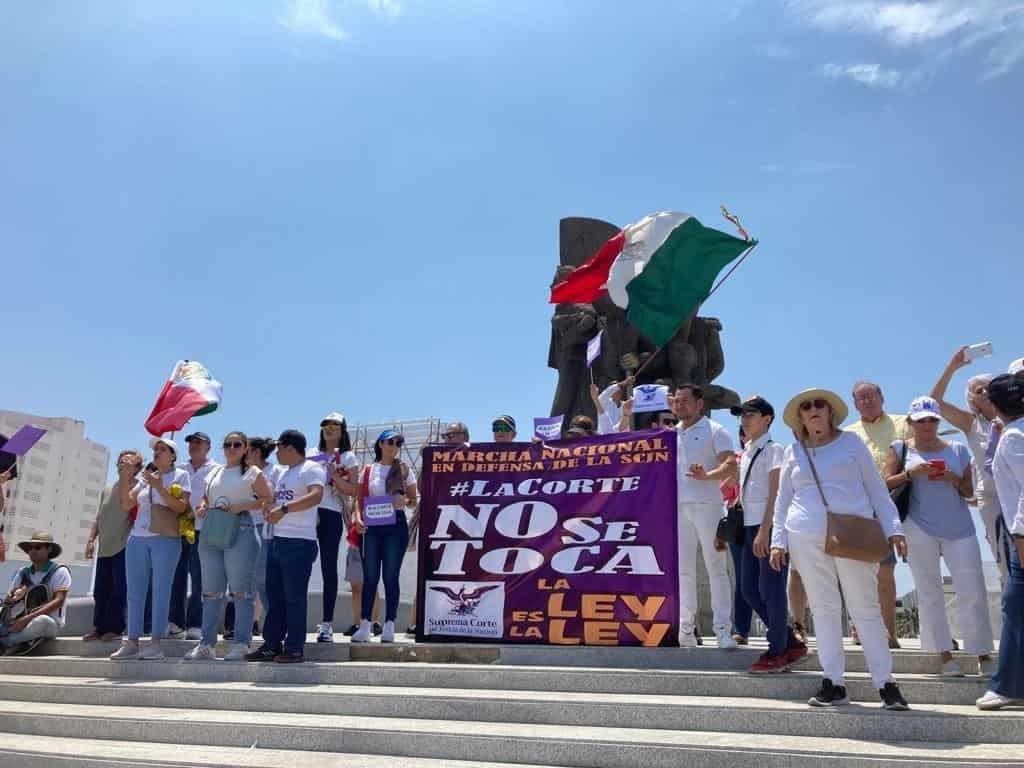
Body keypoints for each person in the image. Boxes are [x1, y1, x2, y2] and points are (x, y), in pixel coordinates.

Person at [770, 389, 909, 711]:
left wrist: (894, 529)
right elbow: (782, 501)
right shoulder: (793, 451)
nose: (814, 409)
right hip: (804, 535)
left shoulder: (851, 444)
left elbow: (876, 490)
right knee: (823, 609)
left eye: (820, 404)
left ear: (830, 412)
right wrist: (779, 540)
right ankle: (833, 682)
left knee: (865, 609)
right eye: (806, 407)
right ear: (800, 417)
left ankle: (886, 683)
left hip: (852, 534)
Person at [884, 396, 995, 678]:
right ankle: (944, 655)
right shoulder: (899, 448)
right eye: (921, 420)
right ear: (910, 423)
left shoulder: (957, 449)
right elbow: (884, 484)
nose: (927, 425)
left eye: (932, 419)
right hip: (917, 526)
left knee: (972, 589)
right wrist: (911, 473)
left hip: (959, 526)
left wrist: (952, 479)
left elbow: (970, 491)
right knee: (929, 591)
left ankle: (983, 652)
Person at [729, 396, 807, 673]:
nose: (745, 420)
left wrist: (766, 530)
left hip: (768, 526)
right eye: (742, 415)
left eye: (751, 414)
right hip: (748, 526)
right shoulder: (748, 450)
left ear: (767, 419)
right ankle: (787, 639)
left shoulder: (775, 449)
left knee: (772, 590)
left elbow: (776, 492)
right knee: (749, 589)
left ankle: (778, 650)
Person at [185, 432, 273, 662]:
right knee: (211, 591)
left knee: (241, 592)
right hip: (212, 528)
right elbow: (206, 496)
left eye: (237, 444)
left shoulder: (253, 472)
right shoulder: (214, 471)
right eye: (227, 444)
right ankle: (206, 644)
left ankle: (241, 643)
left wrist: (241, 505)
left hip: (241, 527)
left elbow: (268, 498)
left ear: (245, 448)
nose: (231, 448)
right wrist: (203, 506)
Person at [246, 430, 325, 664]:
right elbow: (277, 501)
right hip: (277, 541)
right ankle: (271, 645)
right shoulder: (284, 473)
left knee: (294, 597)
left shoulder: (311, 469)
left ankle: (294, 648)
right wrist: (270, 507)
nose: (276, 453)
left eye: (279, 448)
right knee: (275, 597)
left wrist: (284, 509)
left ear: (290, 448)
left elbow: (316, 496)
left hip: (299, 542)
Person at [669, 384, 738, 649]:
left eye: (685, 400)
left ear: (700, 404)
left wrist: (707, 476)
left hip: (709, 507)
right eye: (676, 400)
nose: (680, 404)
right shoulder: (669, 435)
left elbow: (730, 465)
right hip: (678, 509)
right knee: (683, 572)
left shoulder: (715, 430)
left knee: (716, 569)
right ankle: (686, 631)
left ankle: (722, 630)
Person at [110, 437, 190, 661]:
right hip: (137, 538)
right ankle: (132, 641)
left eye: (162, 449)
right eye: (156, 449)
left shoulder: (181, 475)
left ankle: (156, 643)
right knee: (134, 593)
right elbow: (126, 504)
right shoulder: (146, 479)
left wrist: (160, 487)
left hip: (165, 538)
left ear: (173, 455)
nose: (157, 452)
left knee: (161, 592)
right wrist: (126, 477)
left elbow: (181, 507)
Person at [931, 347, 1005, 583]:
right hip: (993, 498)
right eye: (977, 389)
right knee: (1005, 561)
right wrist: (952, 366)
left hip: (1020, 492)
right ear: (972, 399)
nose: (983, 391)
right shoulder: (970, 423)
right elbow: (934, 402)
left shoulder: (1016, 418)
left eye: (987, 387)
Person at [844, 381, 907, 648]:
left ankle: (889, 632)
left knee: (886, 570)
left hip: (897, 504)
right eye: (861, 398)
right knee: (857, 572)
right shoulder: (846, 433)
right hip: (857, 506)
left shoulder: (903, 423)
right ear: (854, 404)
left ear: (882, 396)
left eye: (871, 396)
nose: (867, 401)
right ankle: (861, 628)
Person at [977, 371, 1024, 710]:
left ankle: (1006, 685)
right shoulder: (1009, 433)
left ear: (993, 404)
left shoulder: (1012, 437)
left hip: (1023, 536)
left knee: (1014, 606)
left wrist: (1020, 536)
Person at [351, 430, 418, 643]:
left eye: (398, 442)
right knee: (370, 577)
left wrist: (405, 501)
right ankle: (364, 624)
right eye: (390, 441)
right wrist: (357, 519)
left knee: (390, 576)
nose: (394, 445)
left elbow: (414, 500)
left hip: (395, 525)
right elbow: (358, 500)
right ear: (380, 444)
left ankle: (390, 623)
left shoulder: (405, 469)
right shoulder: (369, 470)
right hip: (371, 526)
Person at [83, 449, 141, 641]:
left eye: (127, 461)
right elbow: (99, 516)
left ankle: (115, 629)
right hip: (104, 547)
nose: (122, 463)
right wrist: (91, 540)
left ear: (136, 468)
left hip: (124, 546)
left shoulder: (138, 487)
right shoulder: (107, 488)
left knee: (119, 589)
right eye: (120, 460)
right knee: (101, 589)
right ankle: (99, 628)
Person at [313, 412, 360, 643]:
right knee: (298, 566)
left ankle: (327, 623)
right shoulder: (311, 454)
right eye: (325, 425)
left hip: (330, 514)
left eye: (335, 425)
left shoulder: (348, 457)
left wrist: (334, 478)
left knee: (328, 568)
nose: (330, 429)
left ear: (343, 430)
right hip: (306, 514)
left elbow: (354, 489)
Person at [170, 432, 220, 640]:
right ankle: (175, 622)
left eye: (198, 443)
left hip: (203, 530)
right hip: (179, 529)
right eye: (191, 443)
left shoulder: (217, 469)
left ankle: (196, 624)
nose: (194, 446)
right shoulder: (179, 468)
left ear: (208, 446)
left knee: (200, 579)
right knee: (177, 577)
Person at [0, 532, 71, 655]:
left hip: (47, 622)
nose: (33, 551)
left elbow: (58, 601)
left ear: (49, 549)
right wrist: (15, 596)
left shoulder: (60, 571)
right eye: (30, 548)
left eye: (38, 547)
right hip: (18, 620)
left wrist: (26, 619)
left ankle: (6, 641)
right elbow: (7, 601)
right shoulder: (23, 572)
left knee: (42, 621)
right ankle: (14, 642)